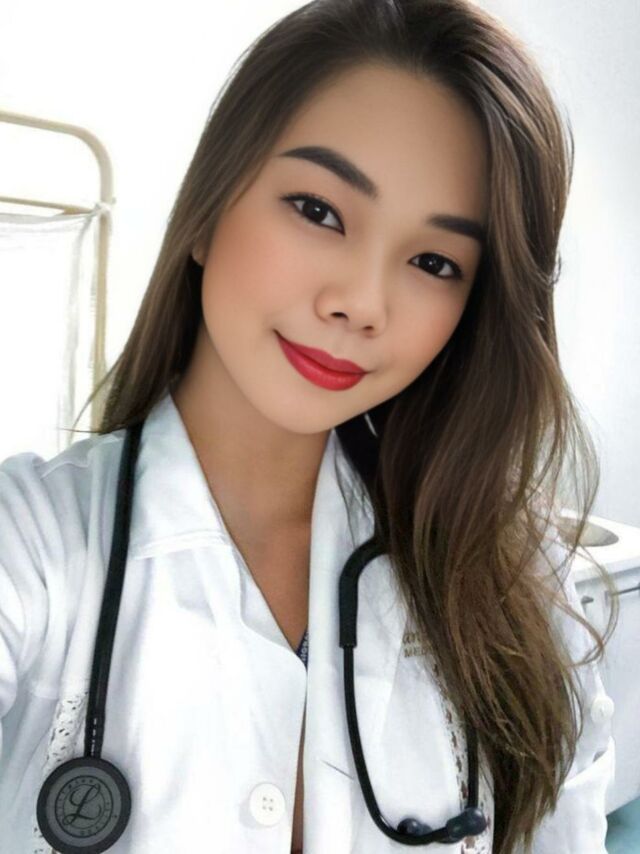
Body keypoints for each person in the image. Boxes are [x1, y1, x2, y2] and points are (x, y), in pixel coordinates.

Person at [0, 1, 617, 852]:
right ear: (209, 207)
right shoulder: (31, 545)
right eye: (318, 210)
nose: (361, 302)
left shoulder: (519, 583)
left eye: (434, 262)